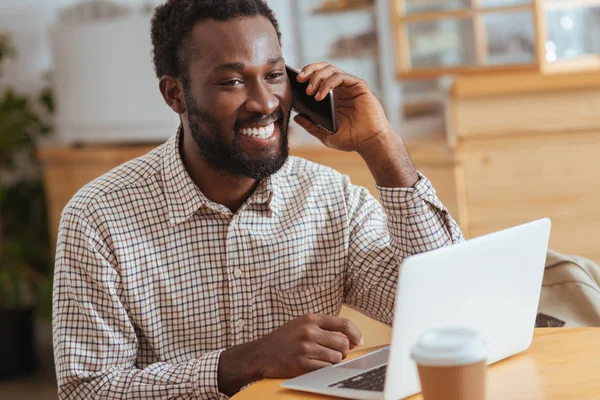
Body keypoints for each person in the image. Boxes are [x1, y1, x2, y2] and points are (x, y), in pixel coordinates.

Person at [52, 0, 464, 398]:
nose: (265, 103)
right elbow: (88, 389)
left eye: (273, 75)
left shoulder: (330, 199)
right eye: (233, 81)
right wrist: (243, 363)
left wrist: (381, 146)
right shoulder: (97, 218)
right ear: (176, 94)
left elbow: (446, 312)